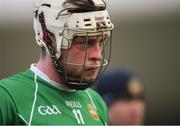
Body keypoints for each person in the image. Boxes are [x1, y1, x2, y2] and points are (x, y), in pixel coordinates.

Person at [0, 0, 114, 125]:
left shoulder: (96, 101)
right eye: (85, 42)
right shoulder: (7, 96)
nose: (98, 55)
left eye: (101, 41)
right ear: (48, 38)